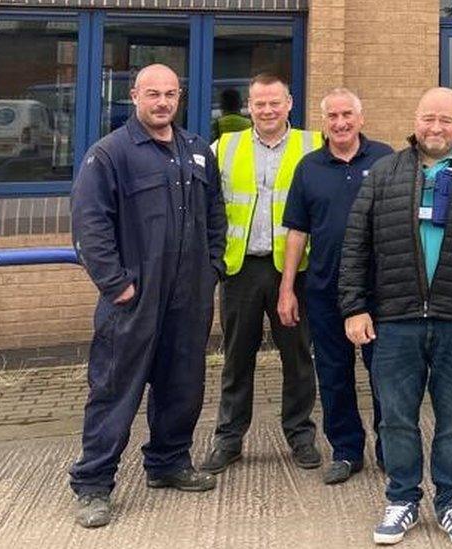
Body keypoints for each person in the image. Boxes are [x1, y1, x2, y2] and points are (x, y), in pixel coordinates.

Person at [339, 87, 452, 547]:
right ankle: (401, 498)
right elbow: (356, 246)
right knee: (396, 418)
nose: (435, 128)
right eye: (427, 118)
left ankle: (450, 499)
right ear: (414, 120)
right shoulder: (385, 172)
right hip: (395, 318)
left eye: (445, 119)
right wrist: (355, 306)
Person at [69, 63, 226, 528]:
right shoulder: (110, 154)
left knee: (183, 385)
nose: (162, 102)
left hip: (189, 294)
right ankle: (94, 484)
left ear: (180, 97)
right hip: (134, 298)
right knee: (116, 389)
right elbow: (89, 224)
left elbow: (215, 212)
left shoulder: (196, 150)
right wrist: (117, 284)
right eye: (153, 93)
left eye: (170, 94)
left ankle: (169, 462)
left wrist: (212, 267)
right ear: (134, 95)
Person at [200, 74, 323, 474]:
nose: (267, 110)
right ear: (249, 107)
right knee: (237, 358)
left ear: (290, 103)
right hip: (241, 269)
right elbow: (204, 203)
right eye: (259, 104)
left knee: (298, 357)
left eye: (275, 103)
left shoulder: (314, 145)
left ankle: (301, 434)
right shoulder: (224, 146)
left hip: (296, 270)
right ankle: (229, 438)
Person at [277, 88, 394, 484]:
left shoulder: (385, 159)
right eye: (333, 117)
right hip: (325, 290)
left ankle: (389, 450)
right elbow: (296, 232)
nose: (341, 123)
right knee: (333, 373)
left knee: (385, 373)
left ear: (361, 119)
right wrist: (287, 288)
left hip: (380, 291)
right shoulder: (308, 167)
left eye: (348, 115)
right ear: (323, 122)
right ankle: (346, 451)